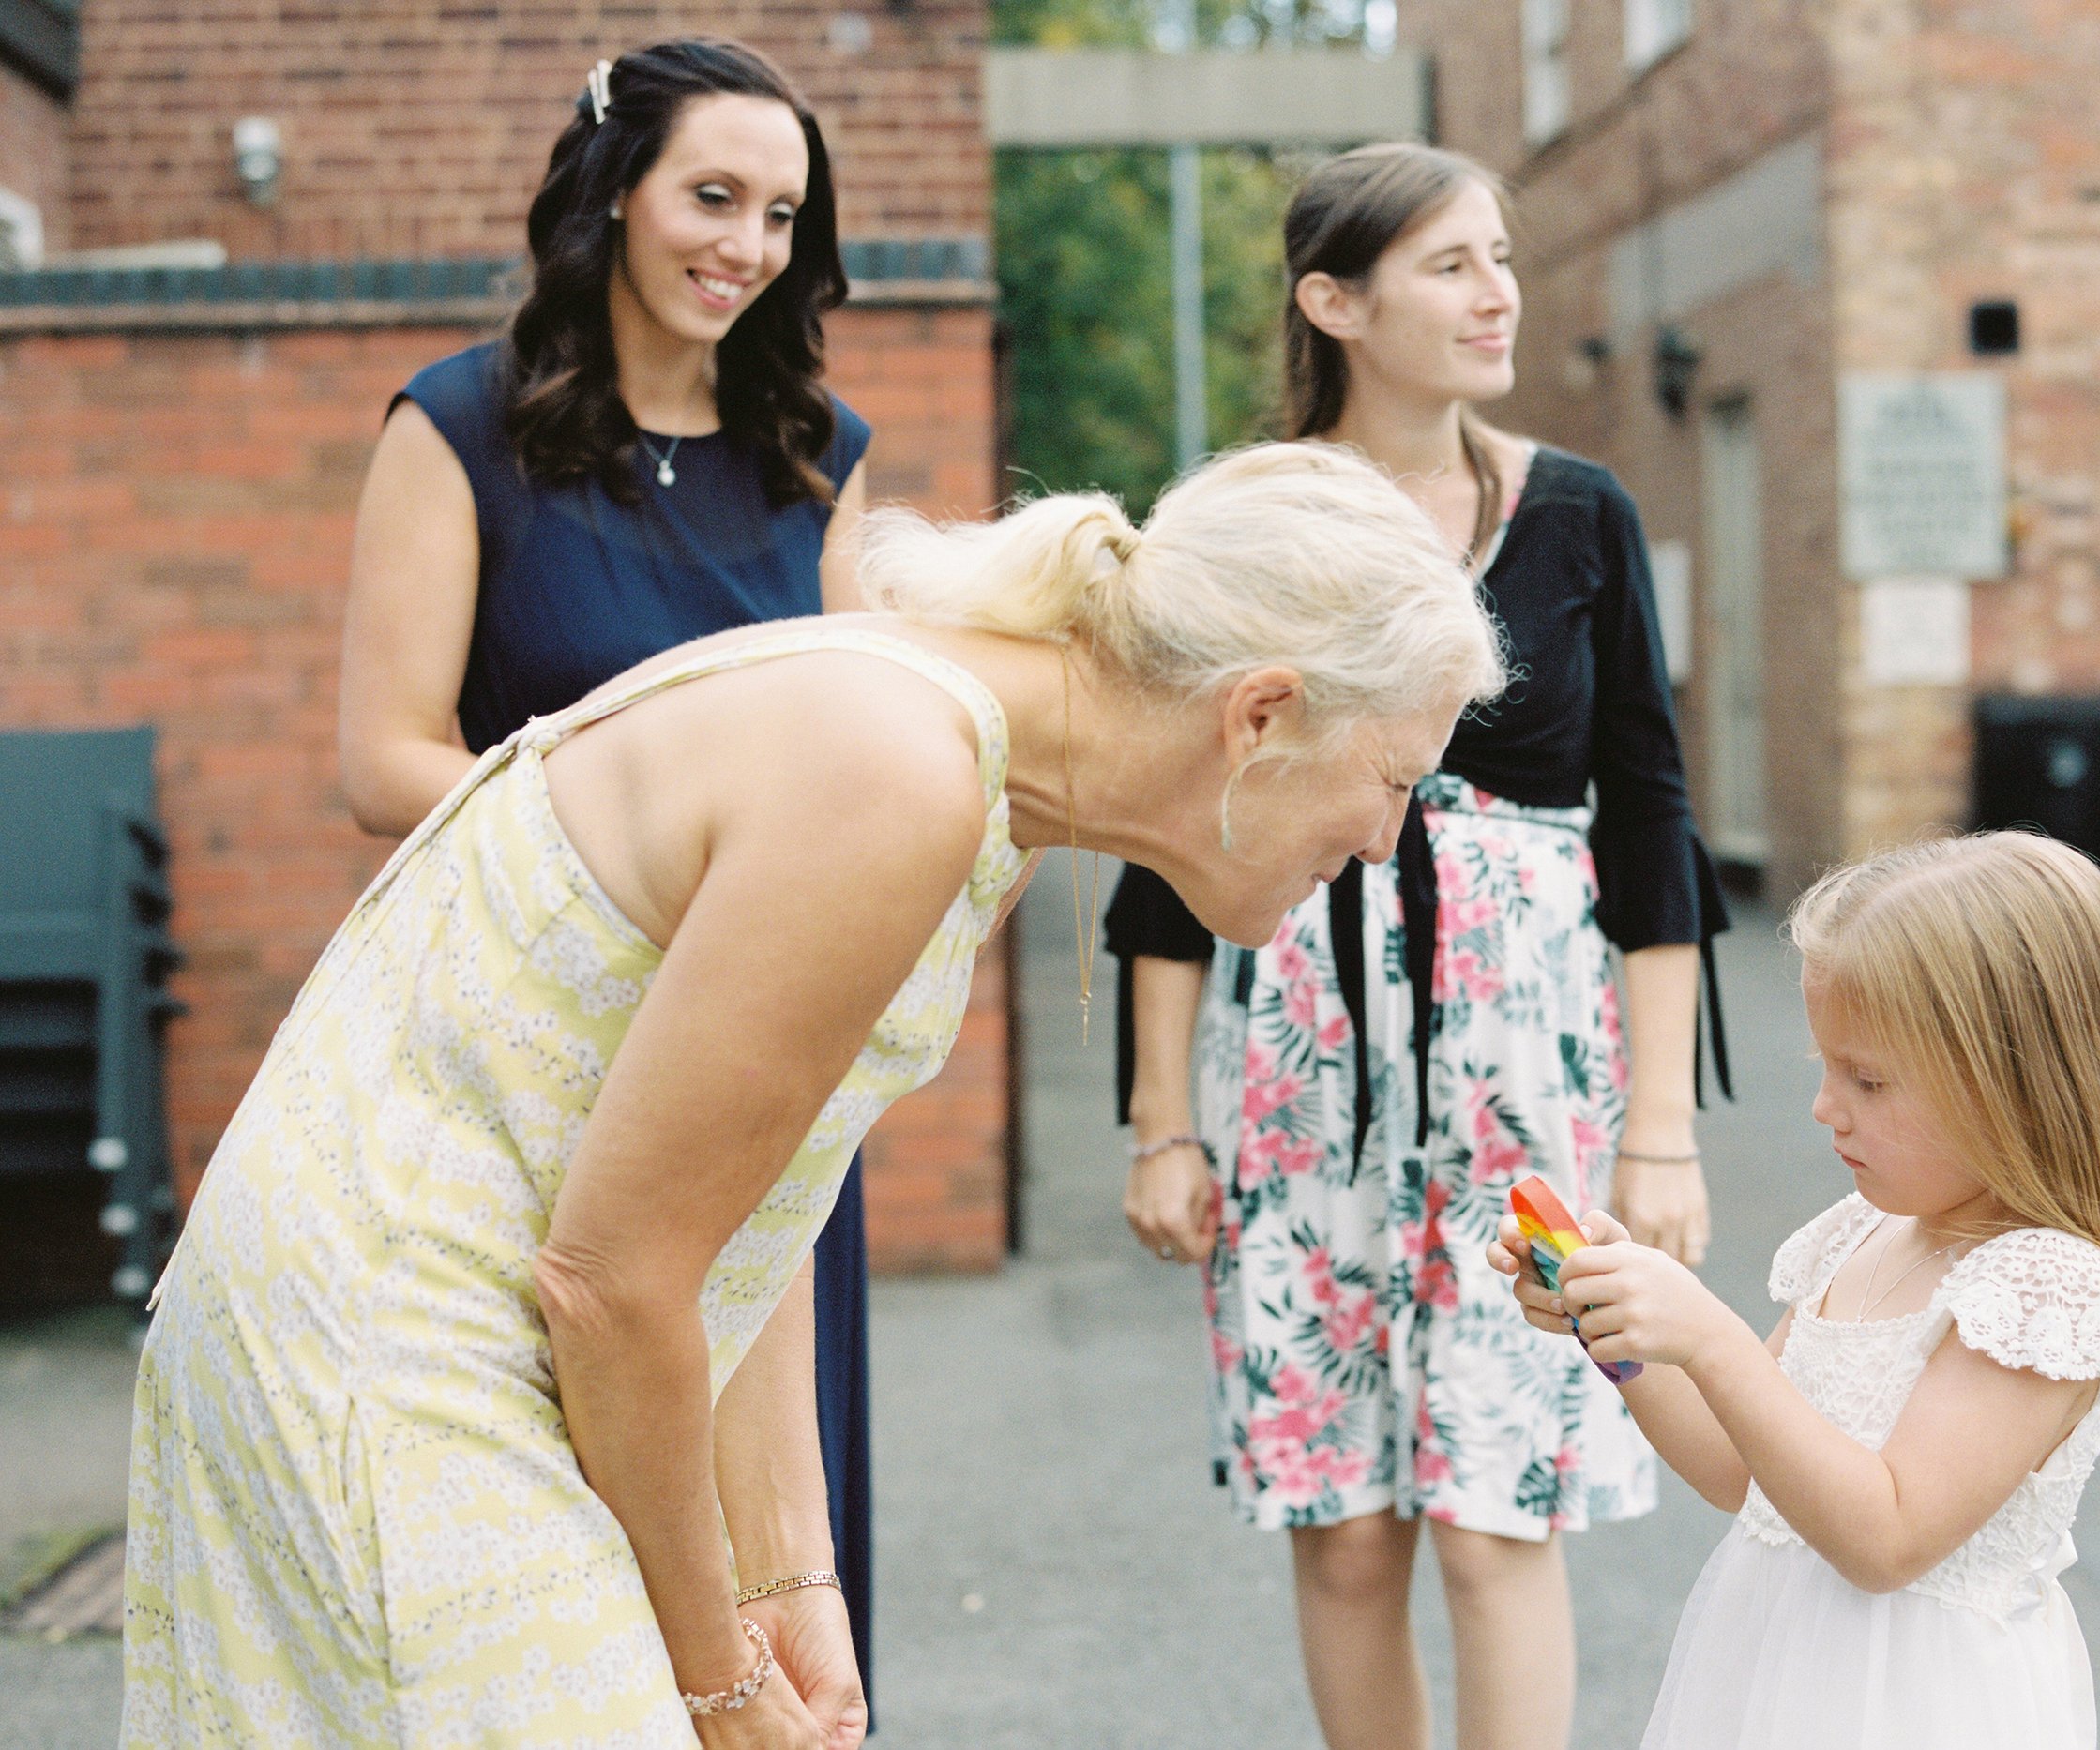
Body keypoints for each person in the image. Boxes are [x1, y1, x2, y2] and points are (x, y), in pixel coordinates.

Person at [121, 442, 1508, 1747]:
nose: (1387, 839)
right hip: (378, 1342)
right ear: (1258, 711)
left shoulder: (988, 777)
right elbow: (615, 1281)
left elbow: (766, 1174)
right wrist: (711, 1665)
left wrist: (787, 1571)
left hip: (447, 1321)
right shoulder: (898, 769)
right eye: (1392, 779)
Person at [1107, 143, 1730, 1749]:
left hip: (1534, 1064)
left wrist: (1659, 1131)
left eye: (1500, 256)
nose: (1497, 291)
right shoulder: (1241, 523)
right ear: (1335, 299)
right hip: (1306, 1060)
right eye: (1452, 263)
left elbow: (1653, 819)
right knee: (1348, 1523)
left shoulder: (1581, 512)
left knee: (1498, 1506)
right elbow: (1172, 832)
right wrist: (1158, 1119)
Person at [332, 38, 885, 1695]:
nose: (748, 244)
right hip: (535, 1061)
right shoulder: (458, 428)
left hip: (765, 1060)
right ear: (611, 195)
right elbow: (383, 758)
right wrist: (642, 870)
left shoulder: (821, 453)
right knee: (557, 1563)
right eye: (713, 195)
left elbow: (867, 755)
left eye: (783, 213)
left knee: (781, 1556)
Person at [1495, 833, 2100, 1749]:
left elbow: (1886, 1538)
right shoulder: (1861, 1229)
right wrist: (1624, 1335)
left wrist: (1715, 1340)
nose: (1824, 1106)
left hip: (1923, 1708)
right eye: (1825, 1067)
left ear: (2015, 1084)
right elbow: (1744, 1474)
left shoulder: (2047, 1291)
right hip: (1780, 1674)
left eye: (1868, 1079)